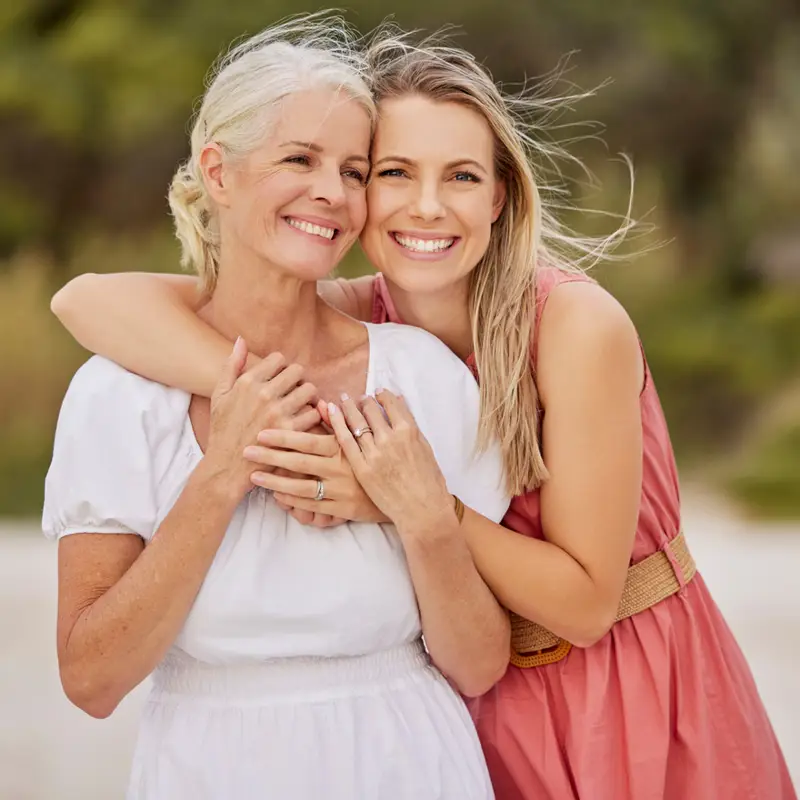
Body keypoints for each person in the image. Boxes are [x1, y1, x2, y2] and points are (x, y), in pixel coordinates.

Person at [52, 27, 796, 800]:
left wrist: (401, 500)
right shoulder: (364, 312)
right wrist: (277, 414)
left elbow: (583, 605)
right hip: (484, 709)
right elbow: (86, 298)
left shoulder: (569, 328)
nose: (427, 206)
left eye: (463, 176)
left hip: (621, 683)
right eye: (392, 172)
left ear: (501, 194)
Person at [43, 18, 513, 800]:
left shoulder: (423, 378)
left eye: (357, 171)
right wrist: (220, 475)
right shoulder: (117, 393)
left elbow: (478, 664)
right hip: (211, 768)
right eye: (300, 159)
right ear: (218, 173)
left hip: (411, 762)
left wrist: (424, 517)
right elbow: (90, 680)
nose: (332, 193)